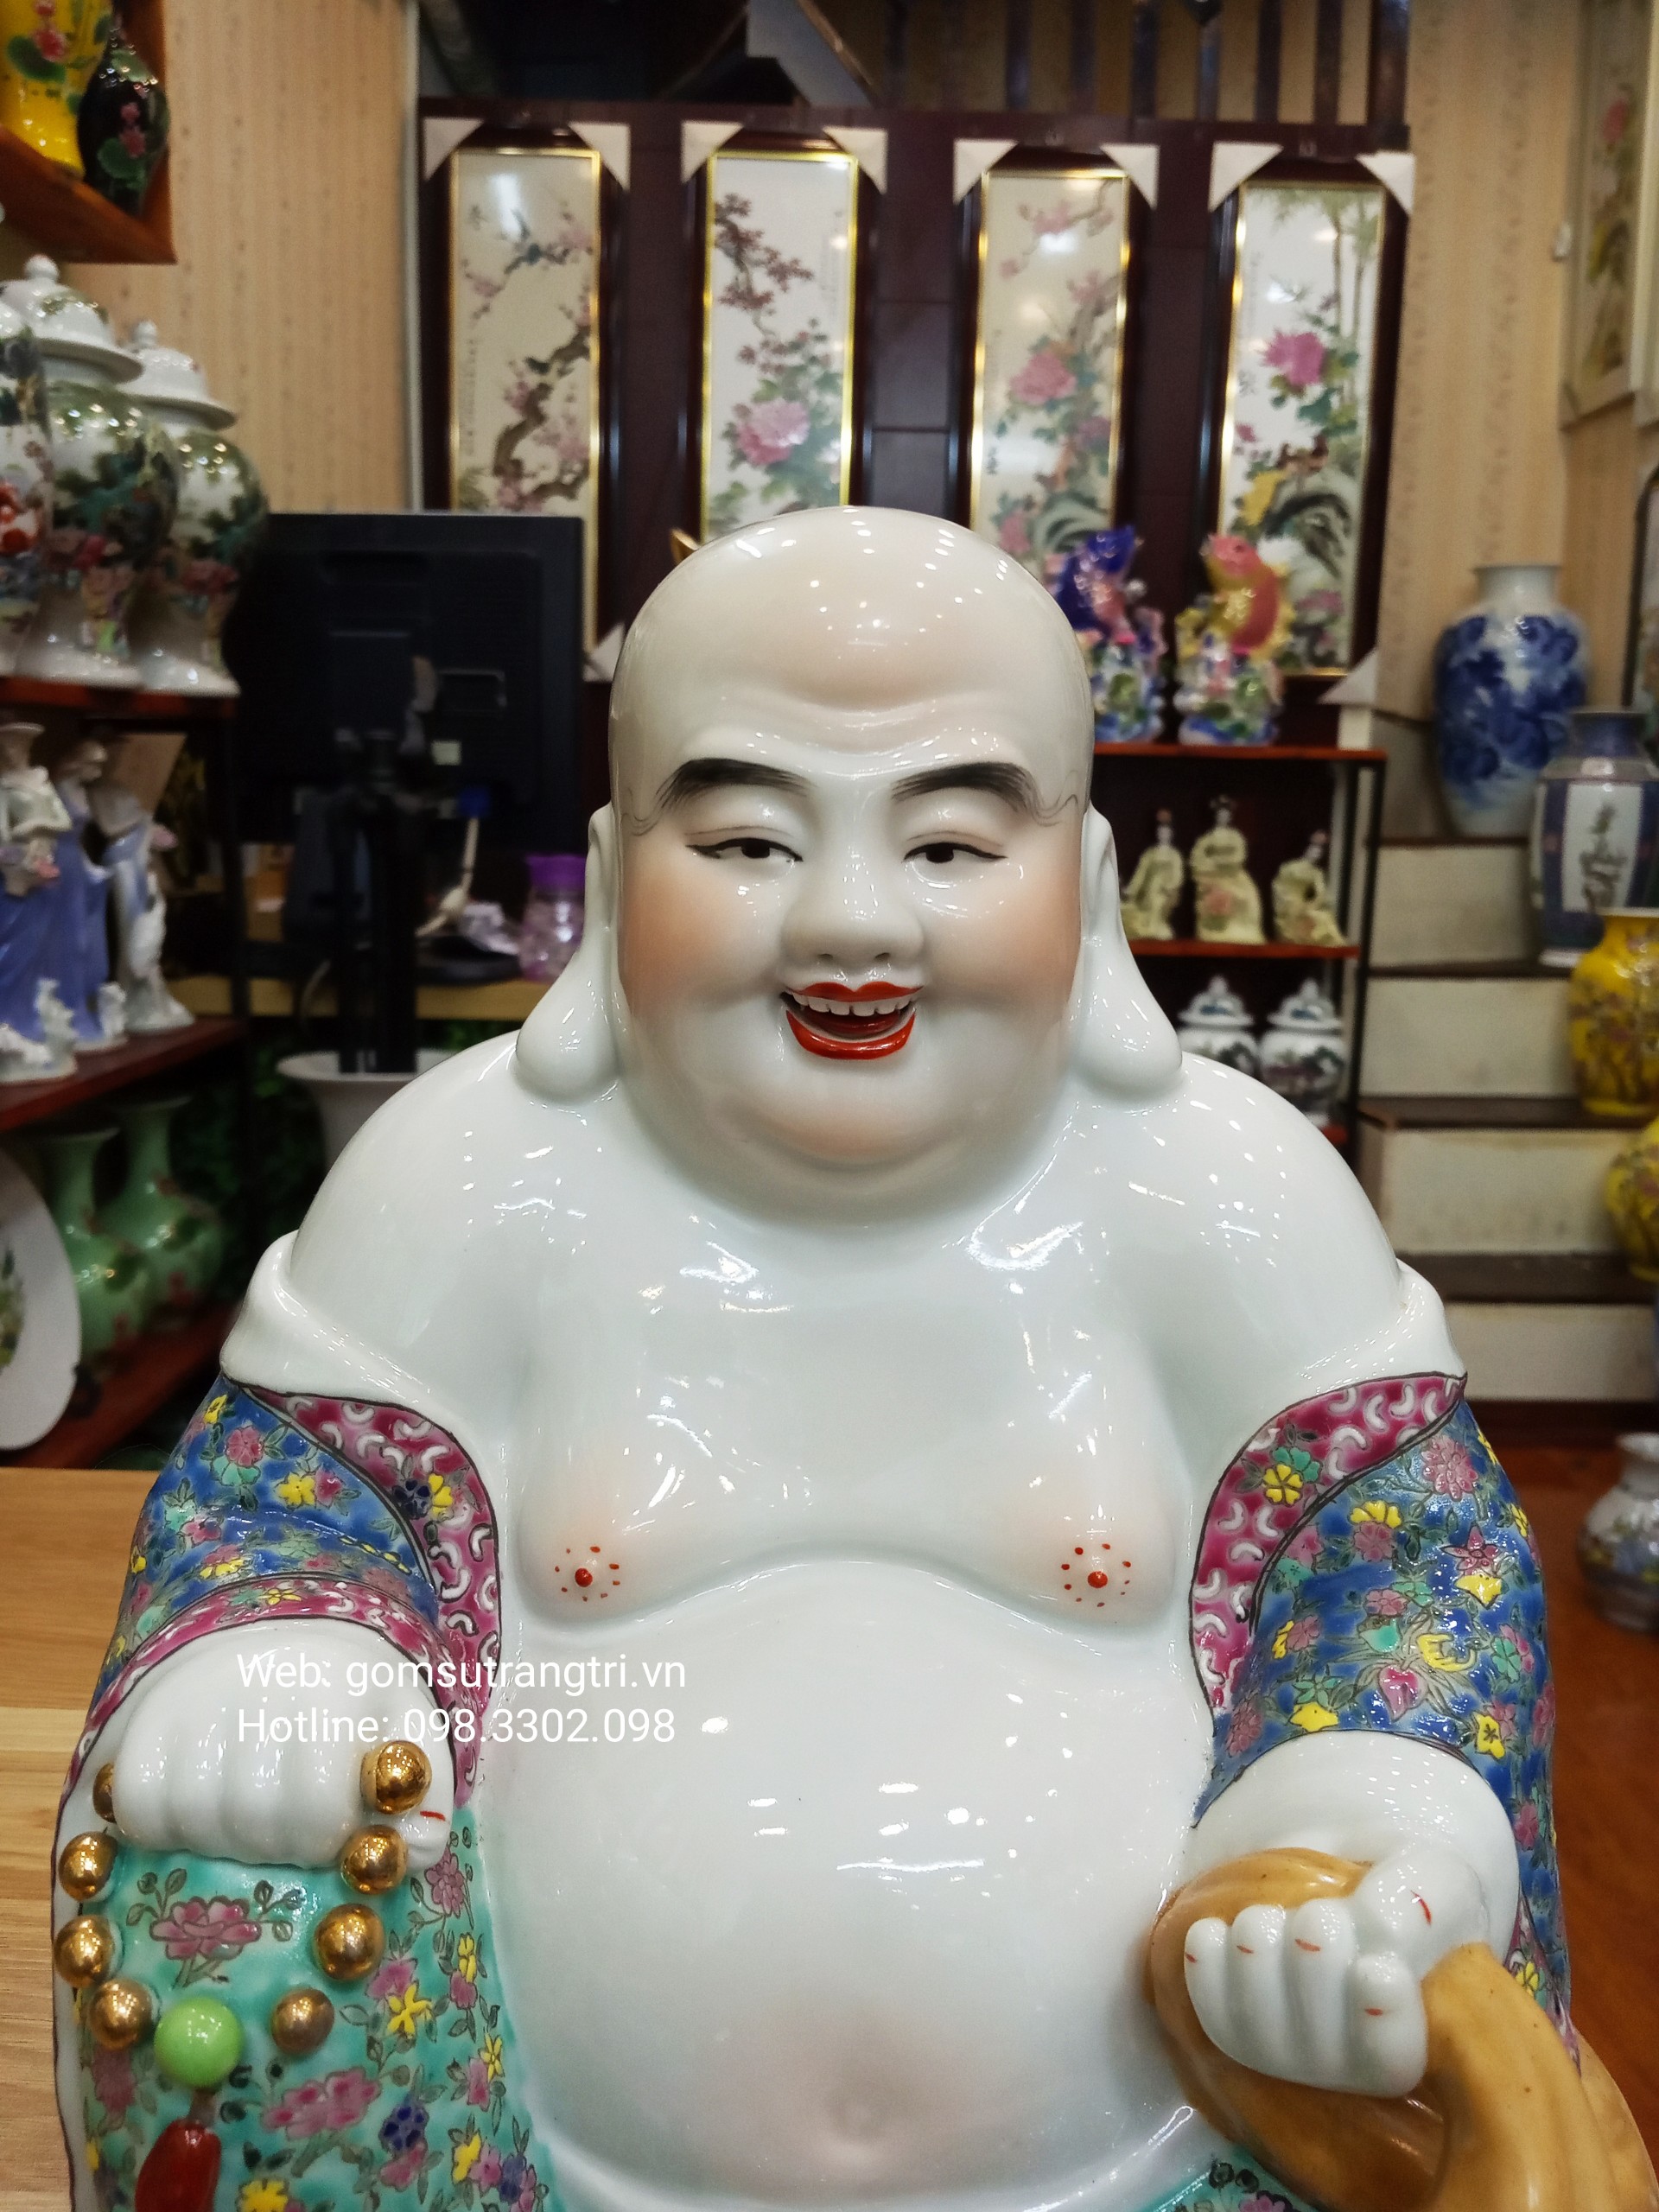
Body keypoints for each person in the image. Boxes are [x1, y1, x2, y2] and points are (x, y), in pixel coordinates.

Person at [53, 511, 1603, 2212]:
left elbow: (1398, 1554)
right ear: (615, 870)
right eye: (748, 839)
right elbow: (294, 1508)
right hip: (528, 2161)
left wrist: (1362, 1813)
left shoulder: (1222, 1201)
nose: (853, 922)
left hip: (1163, 2157)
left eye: (948, 842)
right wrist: (287, 1661)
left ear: (1084, 886)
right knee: (217, 1902)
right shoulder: (471, 1190)